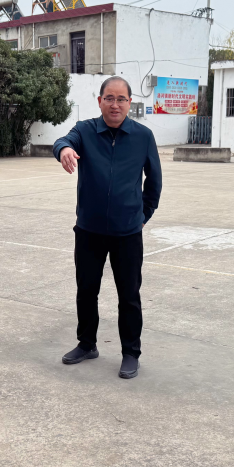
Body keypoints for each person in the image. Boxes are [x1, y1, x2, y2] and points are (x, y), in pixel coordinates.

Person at [53, 76, 162, 380]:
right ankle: (87, 344)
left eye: (121, 99)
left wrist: (143, 215)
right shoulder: (85, 131)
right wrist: (64, 150)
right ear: (100, 101)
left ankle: (131, 353)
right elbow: (62, 141)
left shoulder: (143, 136)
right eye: (109, 98)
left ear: (130, 103)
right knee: (87, 291)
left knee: (129, 296)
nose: (115, 105)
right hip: (89, 231)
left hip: (127, 233)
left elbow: (154, 182)